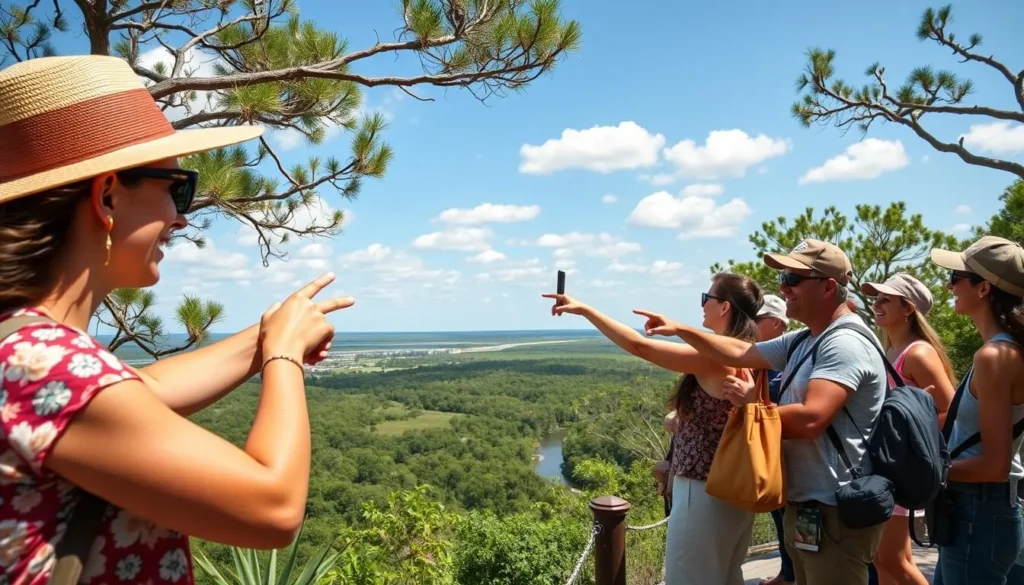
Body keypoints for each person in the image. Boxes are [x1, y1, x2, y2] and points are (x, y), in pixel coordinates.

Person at [0, 55, 354, 585]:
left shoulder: (24, 351)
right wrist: (283, 357)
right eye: (175, 187)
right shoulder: (47, 365)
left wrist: (273, 331)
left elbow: (141, 389)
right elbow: (273, 506)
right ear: (108, 195)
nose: (181, 216)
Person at [635, 239, 889, 585]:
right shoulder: (805, 339)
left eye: (794, 278)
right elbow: (739, 353)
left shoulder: (843, 343)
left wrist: (746, 412)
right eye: (783, 277)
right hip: (807, 503)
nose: (783, 287)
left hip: (834, 507)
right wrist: (680, 329)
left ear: (829, 287)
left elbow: (811, 419)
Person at [543, 272, 763, 585]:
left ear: (724, 307)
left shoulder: (719, 358)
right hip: (734, 490)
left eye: (706, 298)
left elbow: (640, 347)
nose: (701, 306)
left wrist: (585, 310)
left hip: (704, 492)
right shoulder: (750, 352)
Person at [929, 235, 1024, 585]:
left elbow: (995, 465)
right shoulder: (1004, 352)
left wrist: (929, 470)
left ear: (984, 288)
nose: (948, 284)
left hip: (978, 515)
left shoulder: (996, 357)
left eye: (956, 277)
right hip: (983, 513)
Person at [860, 273, 956, 585]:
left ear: (908, 309)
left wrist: (908, 437)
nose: (877, 304)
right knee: (886, 560)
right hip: (889, 469)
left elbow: (949, 410)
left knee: (890, 559)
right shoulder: (889, 352)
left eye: (886, 299)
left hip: (901, 469)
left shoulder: (917, 353)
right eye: (877, 298)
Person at [753, 295, 795, 585]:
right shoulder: (763, 361)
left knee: (791, 521)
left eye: (757, 320)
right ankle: (788, 572)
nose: (750, 325)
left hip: (791, 456)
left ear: (776, 324)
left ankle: (791, 573)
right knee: (781, 520)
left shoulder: (787, 360)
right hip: (772, 457)